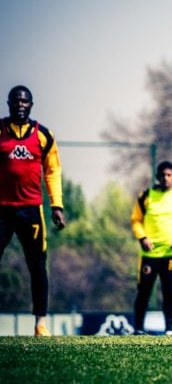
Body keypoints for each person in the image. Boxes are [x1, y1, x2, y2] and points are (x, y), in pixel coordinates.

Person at [0, 85, 66, 337]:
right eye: (16, 101)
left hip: (31, 211)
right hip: (2, 211)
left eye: (24, 101)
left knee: (38, 266)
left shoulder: (43, 135)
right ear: (8, 103)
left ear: (31, 105)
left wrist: (57, 206)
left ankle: (40, 323)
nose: (20, 105)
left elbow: (53, 171)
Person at [131, 161, 172, 336]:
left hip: (171, 255)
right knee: (143, 292)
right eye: (162, 175)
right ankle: (138, 328)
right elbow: (136, 220)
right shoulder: (145, 197)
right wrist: (142, 238)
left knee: (170, 292)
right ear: (157, 177)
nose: (165, 178)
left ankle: (169, 329)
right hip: (149, 255)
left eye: (169, 175)